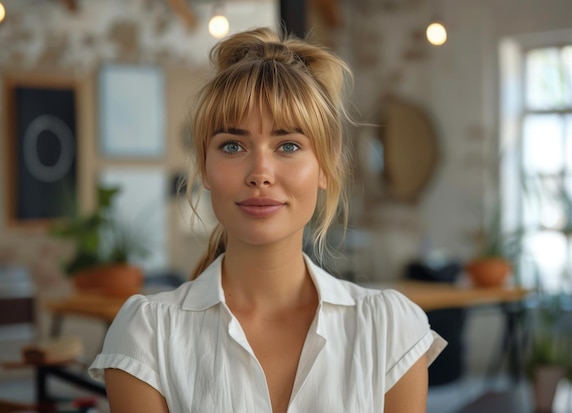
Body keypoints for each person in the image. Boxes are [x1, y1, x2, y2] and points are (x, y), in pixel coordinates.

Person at [88, 27, 446, 413]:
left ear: (325, 167)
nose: (261, 172)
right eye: (232, 146)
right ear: (205, 169)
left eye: (288, 145)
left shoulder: (391, 329)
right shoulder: (146, 336)